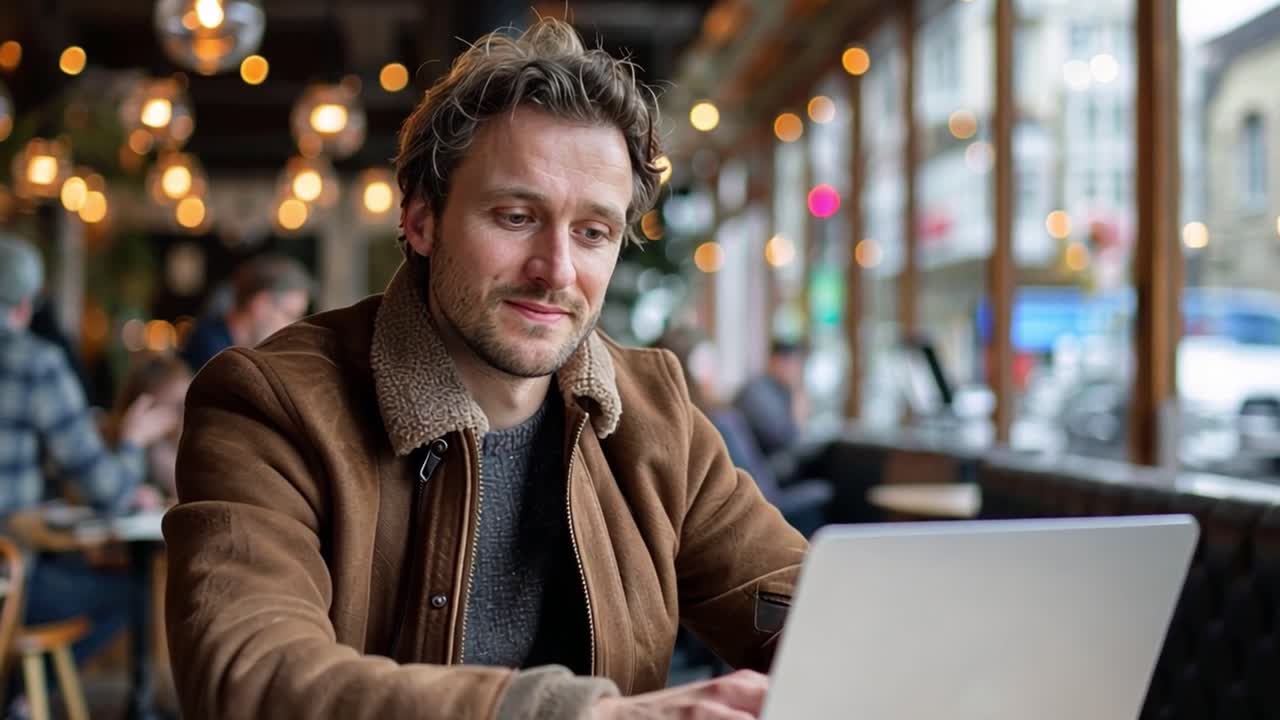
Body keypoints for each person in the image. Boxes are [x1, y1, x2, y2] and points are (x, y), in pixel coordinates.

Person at [163, 18, 807, 720]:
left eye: (593, 233)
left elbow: (793, 600)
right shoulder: (271, 404)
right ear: (420, 220)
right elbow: (250, 676)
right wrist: (582, 715)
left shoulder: (652, 409)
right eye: (514, 216)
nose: (555, 271)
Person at [0, 235, 178, 664]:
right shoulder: (33, 362)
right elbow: (104, 488)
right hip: (7, 580)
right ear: (25, 306)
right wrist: (133, 441)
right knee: (135, 594)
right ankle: (18, 694)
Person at [179, 254, 313, 372]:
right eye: (290, 315)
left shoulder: (231, 349)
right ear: (261, 305)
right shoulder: (211, 351)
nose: (295, 327)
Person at [106, 352, 192, 501]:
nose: (181, 418)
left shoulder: (190, 447)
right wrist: (132, 441)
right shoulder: (115, 446)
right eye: (177, 407)